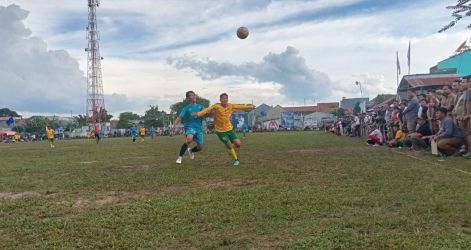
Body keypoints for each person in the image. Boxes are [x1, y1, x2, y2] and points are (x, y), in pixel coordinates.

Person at [193, 93, 255, 167]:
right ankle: (235, 160)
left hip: (229, 129)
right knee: (229, 145)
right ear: (220, 100)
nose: (225, 100)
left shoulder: (231, 106)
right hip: (221, 131)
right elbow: (207, 109)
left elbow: (240, 106)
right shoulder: (216, 106)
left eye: (226, 98)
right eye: (223, 98)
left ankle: (230, 150)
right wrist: (198, 114)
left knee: (238, 144)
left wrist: (250, 107)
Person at [173, 91, 205, 164]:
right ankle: (180, 157)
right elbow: (180, 117)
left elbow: (206, 112)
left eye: (194, 95)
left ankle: (191, 151)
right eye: (191, 95)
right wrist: (175, 124)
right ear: (188, 99)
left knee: (200, 147)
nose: (193, 96)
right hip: (190, 126)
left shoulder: (201, 107)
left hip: (199, 128)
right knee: (189, 139)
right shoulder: (186, 108)